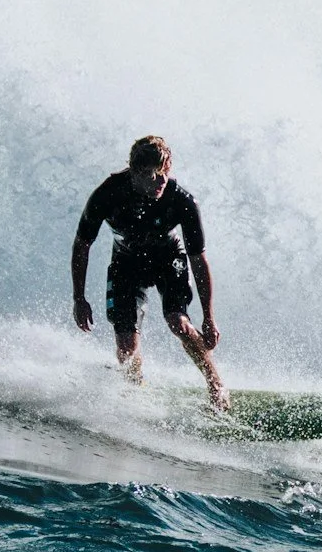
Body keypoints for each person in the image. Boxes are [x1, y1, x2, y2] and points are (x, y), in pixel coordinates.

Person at [72, 135, 228, 409]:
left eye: (165, 171)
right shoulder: (107, 194)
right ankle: (135, 395)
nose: (161, 180)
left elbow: (198, 260)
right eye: (152, 174)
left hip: (169, 259)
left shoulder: (182, 201)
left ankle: (215, 384)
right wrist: (79, 298)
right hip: (126, 264)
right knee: (126, 348)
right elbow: (82, 245)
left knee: (178, 322)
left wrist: (209, 318)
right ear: (135, 172)